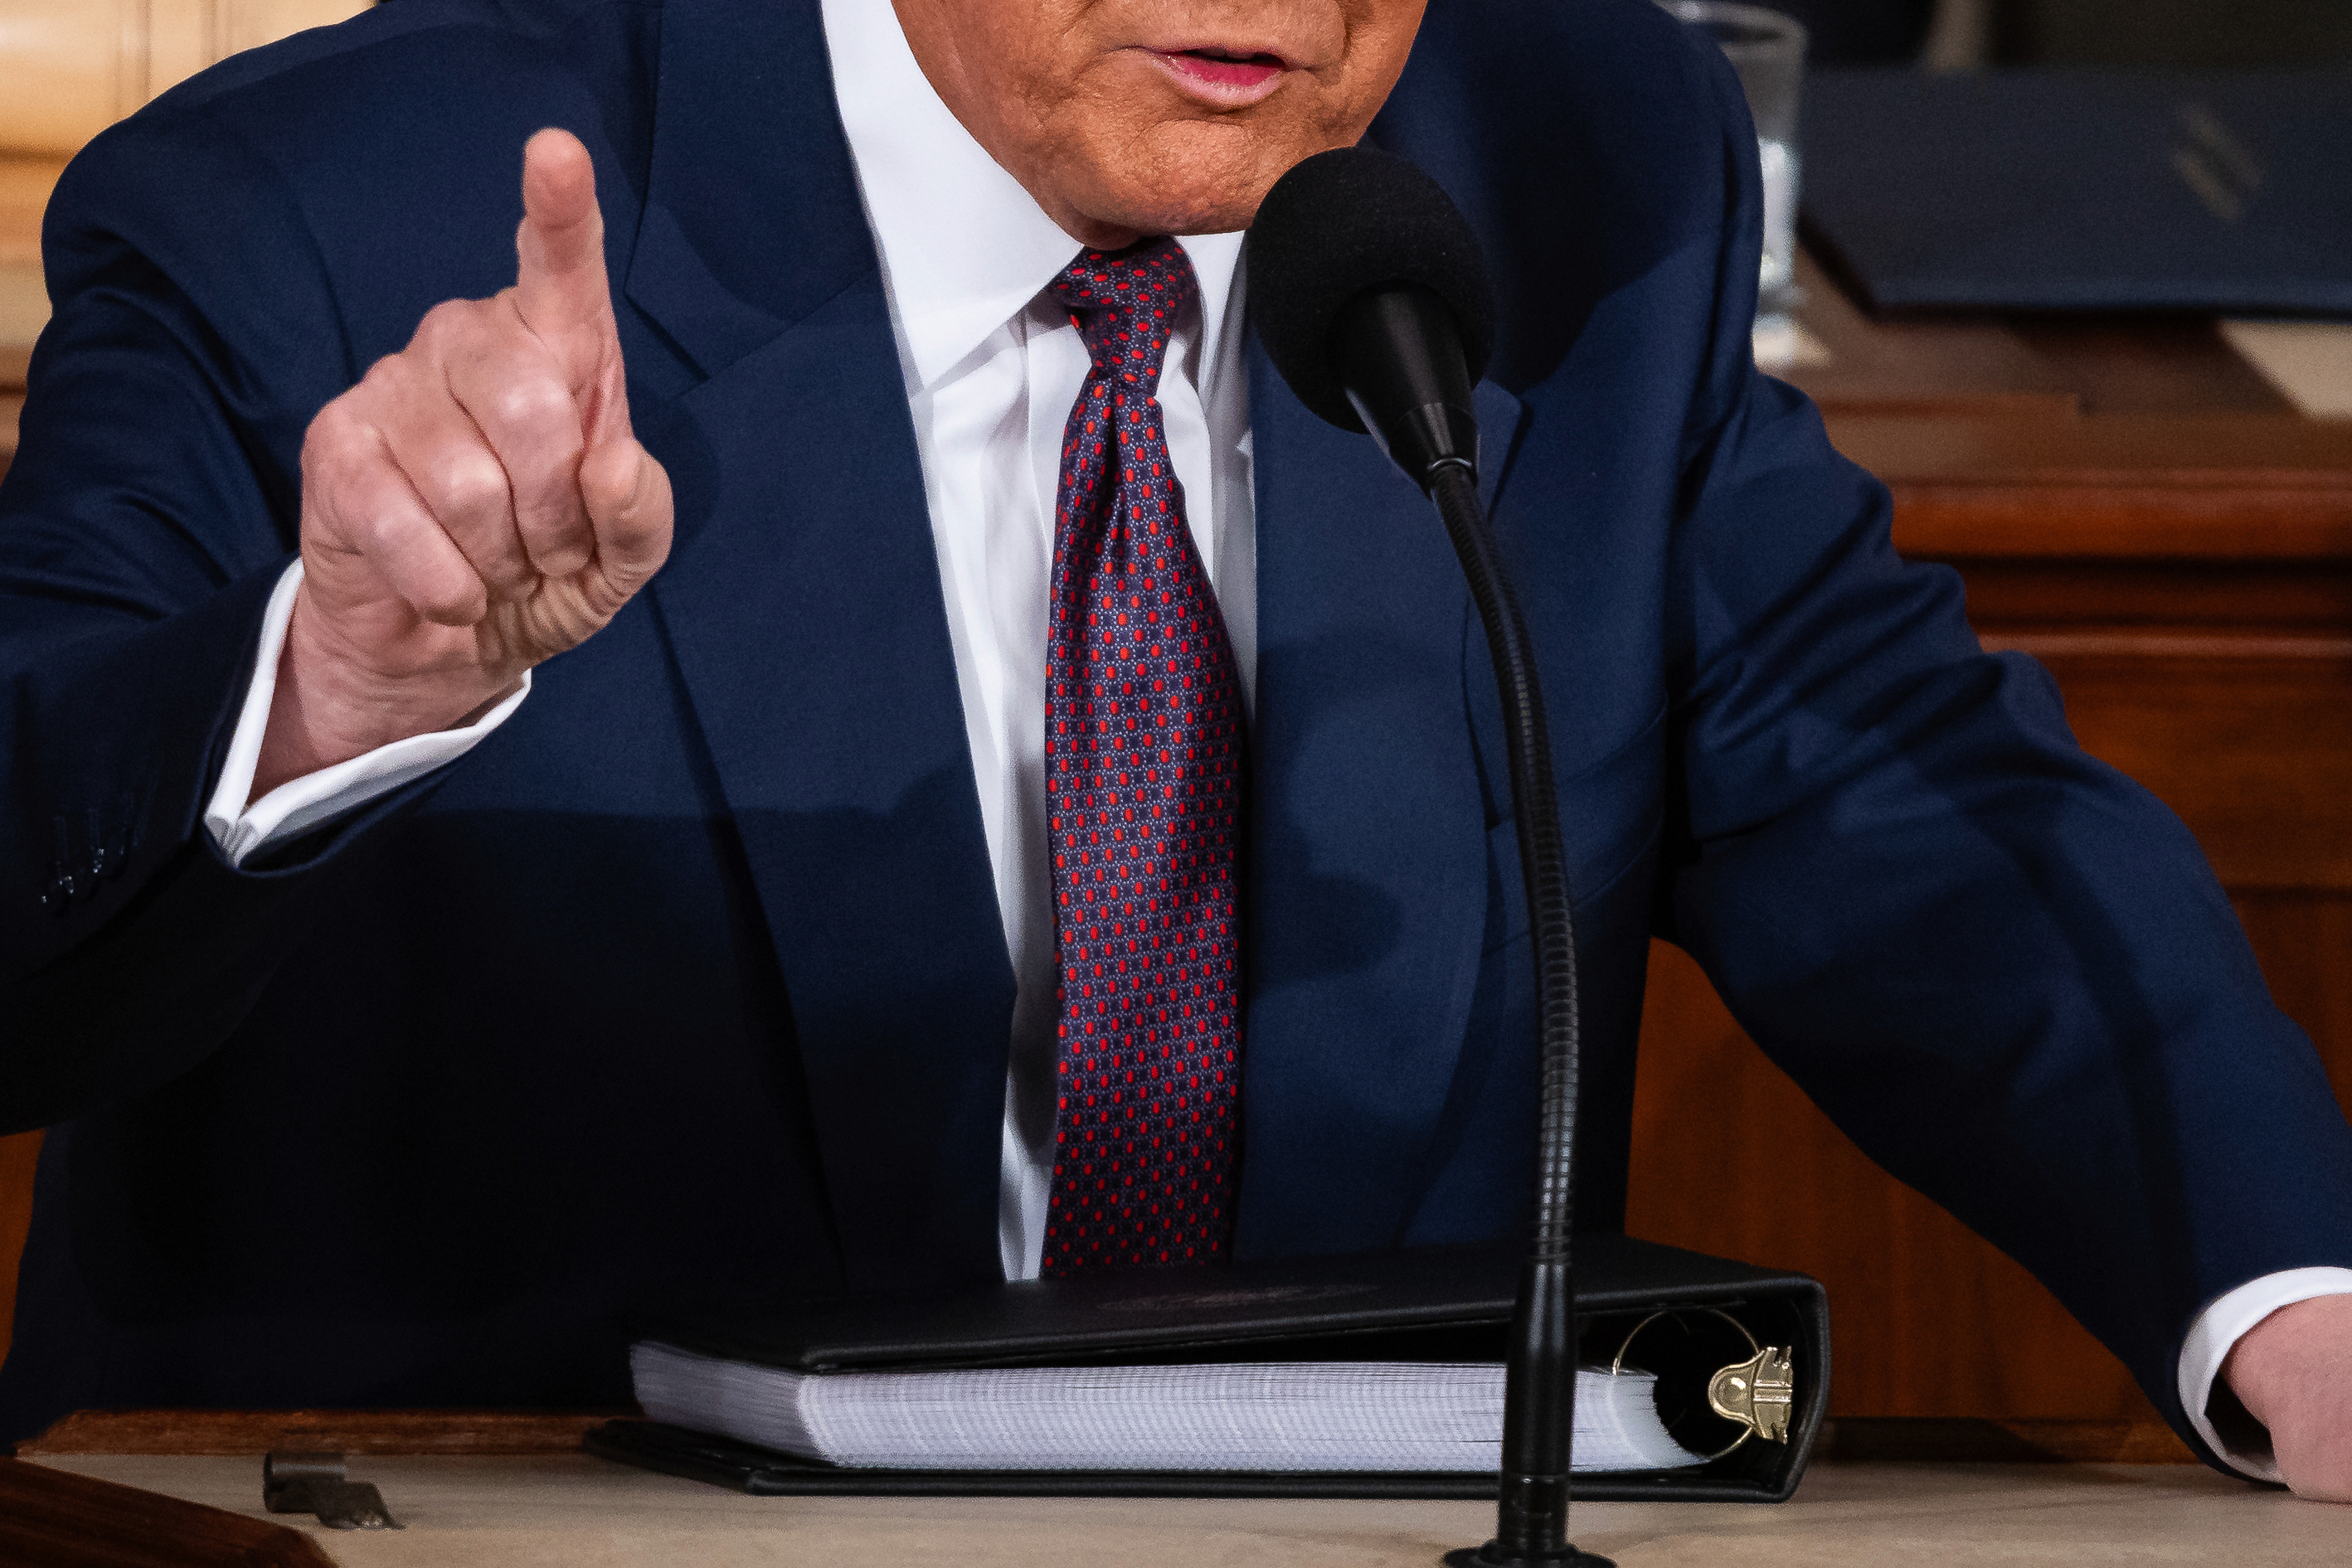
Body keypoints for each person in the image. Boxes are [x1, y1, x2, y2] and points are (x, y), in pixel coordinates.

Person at [2, 0, 2348, 1498]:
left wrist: (2299, 1305)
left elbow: (1905, 791)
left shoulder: (1575, 149)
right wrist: (329, 690)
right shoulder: (313, 209)